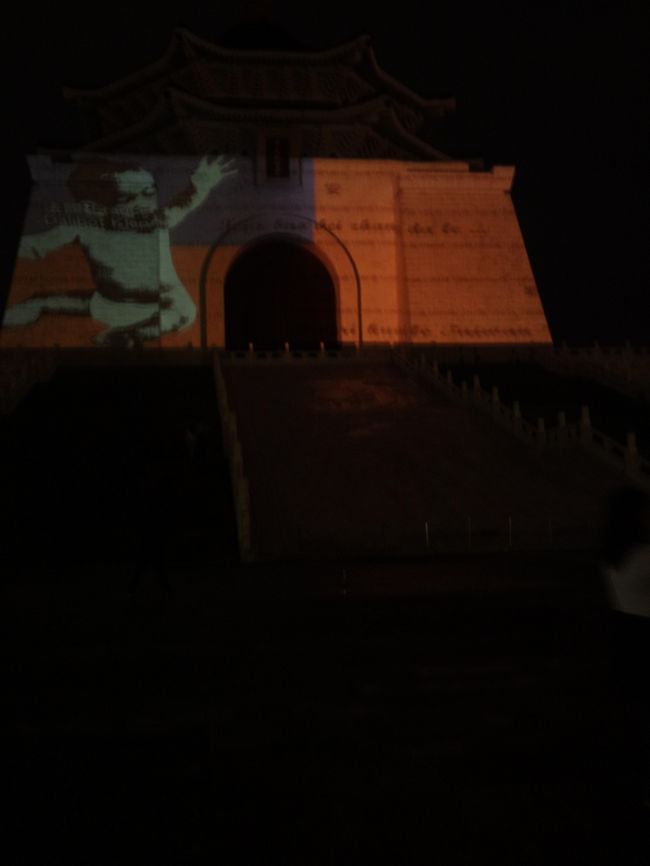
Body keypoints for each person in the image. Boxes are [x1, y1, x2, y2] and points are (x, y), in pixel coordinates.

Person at [3, 155, 236, 346]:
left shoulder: (156, 220)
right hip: (108, 301)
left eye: (150, 191)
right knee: (44, 300)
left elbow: (184, 202)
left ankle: (128, 334)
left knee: (185, 313)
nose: (146, 201)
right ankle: (20, 312)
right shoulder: (82, 224)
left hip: (162, 304)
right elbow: (37, 246)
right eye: (130, 197)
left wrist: (201, 183)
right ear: (95, 206)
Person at [600, 486, 650, 806]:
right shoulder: (644, 555)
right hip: (644, 636)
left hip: (624, 634)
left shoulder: (612, 553)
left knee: (634, 715)